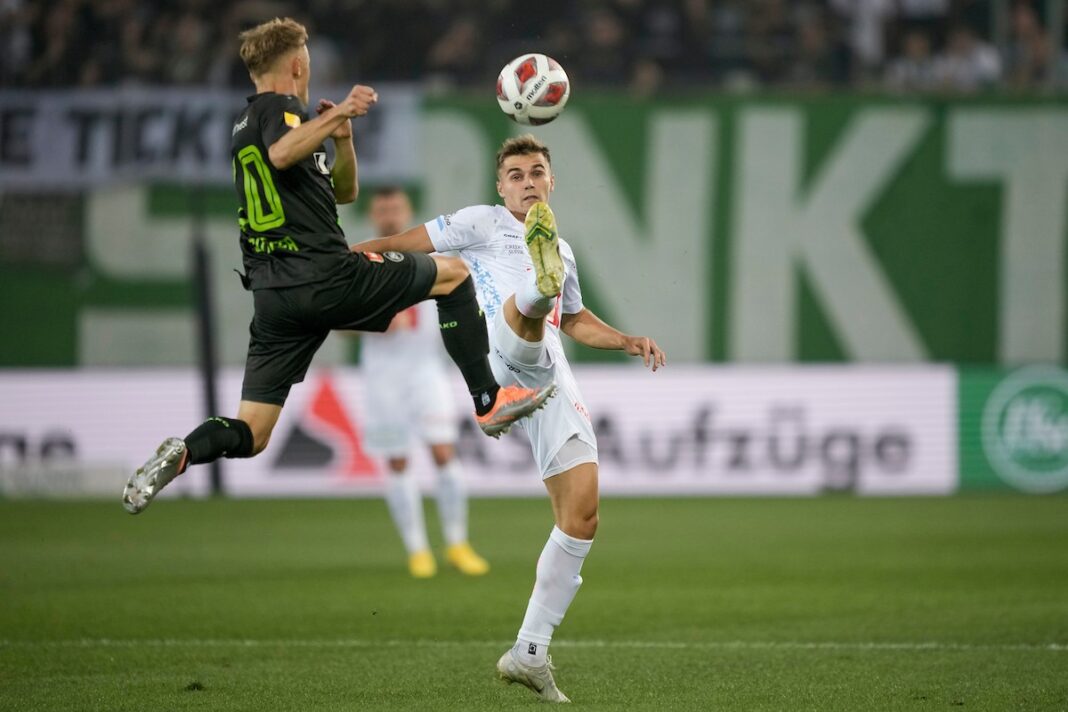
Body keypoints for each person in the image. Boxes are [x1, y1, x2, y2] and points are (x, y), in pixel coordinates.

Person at [122, 18, 553, 515]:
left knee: (253, 432)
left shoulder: (245, 126)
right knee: (453, 274)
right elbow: (282, 154)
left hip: (274, 299)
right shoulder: (281, 110)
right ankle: (487, 400)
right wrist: (343, 110)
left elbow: (343, 192)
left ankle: (184, 451)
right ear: (298, 65)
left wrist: (342, 139)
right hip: (325, 276)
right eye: (308, 60)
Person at [352, 134, 666, 703]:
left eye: (536, 172)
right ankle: (534, 293)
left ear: (551, 181)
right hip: (497, 345)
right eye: (516, 175)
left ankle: (529, 652)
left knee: (582, 515)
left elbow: (575, 320)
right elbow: (400, 244)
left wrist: (625, 339)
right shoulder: (481, 222)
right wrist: (339, 261)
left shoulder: (562, 250)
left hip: (549, 371)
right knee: (524, 315)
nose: (527, 182)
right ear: (501, 188)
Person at [358, 187, 489, 578]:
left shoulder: (431, 258)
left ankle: (457, 543)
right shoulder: (360, 264)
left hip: (426, 371)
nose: (390, 215)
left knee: (443, 452)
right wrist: (372, 319)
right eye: (383, 209)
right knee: (397, 460)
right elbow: (333, 320)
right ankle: (417, 550)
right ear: (373, 215)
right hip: (383, 377)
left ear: (408, 211)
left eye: (395, 208)